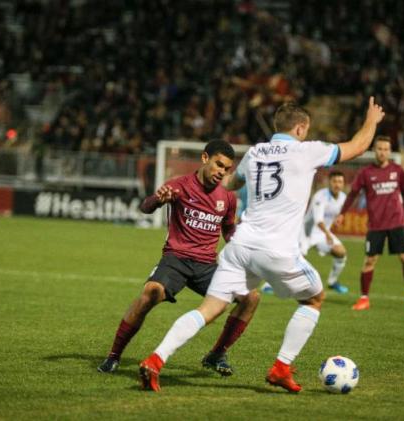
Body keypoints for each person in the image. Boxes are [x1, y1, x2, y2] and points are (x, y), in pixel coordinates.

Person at [138, 97, 385, 392]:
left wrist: (195, 190)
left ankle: (155, 359)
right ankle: (282, 367)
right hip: (276, 249)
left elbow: (228, 183)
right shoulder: (307, 151)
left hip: (240, 246)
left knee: (209, 309)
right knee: (314, 298)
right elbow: (357, 146)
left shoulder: (256, 153)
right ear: (301, 128)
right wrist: (372, 120)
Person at [98, 140, 260, 375]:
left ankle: (216, 355)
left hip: (207, 266)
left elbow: (228, 231)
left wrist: (242, 234)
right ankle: (113, 356)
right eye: (218, 165)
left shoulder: (228, 197)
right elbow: (145, 207)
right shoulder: (179, 186)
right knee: (149, 294)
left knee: (251, 298)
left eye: (226, 169)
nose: (221, 172)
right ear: (205, 159)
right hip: (176, 260)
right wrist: (158, 200)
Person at [334, 136, 404, 314]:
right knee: (369, 261)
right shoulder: (366, 173)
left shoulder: (398, 171)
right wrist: (342, 213)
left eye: (385, 149)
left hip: (396, 222)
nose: (382, 152)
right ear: (375, 150)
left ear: (390, 152)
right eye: (379, 148)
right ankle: (364, 299)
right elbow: (352, 194)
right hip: (376, 225)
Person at [299, 170, 349, 294]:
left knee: (341, 252)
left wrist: (338, 220)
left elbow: (339, 214)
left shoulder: (343, 197)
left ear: (343, 184)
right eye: (334, 181)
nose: (337, 184)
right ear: (329, 182)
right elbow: (318, 220)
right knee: (295, 259)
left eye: (340, 182)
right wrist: (327, 234)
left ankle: (332, 282)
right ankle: (269, 285)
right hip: (306, 232)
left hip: (322, 233)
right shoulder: (320, 196)